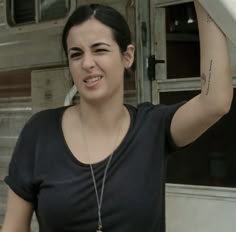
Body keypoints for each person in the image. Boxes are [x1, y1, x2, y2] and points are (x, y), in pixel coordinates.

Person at [2, 1, 233, 232]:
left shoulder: (151, 127)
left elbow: (215, 102)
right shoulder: (40, 132)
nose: (87, 63)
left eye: (100, 50)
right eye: (76, 54)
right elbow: (13, 227)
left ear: (128, 56)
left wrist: (207, 3)